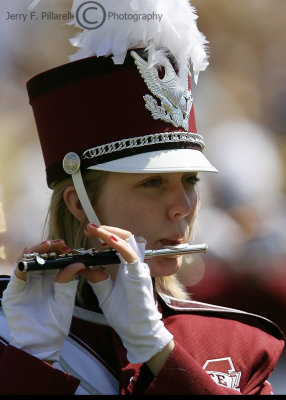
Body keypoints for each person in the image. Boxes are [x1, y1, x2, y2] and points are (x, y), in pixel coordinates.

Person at [0, 0, 284, 395]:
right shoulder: (9, 335)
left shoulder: (234, 343)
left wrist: (157, 349)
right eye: (152, 183)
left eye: (189, 180)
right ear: (79, 204)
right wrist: (27, 363)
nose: (183, 207)